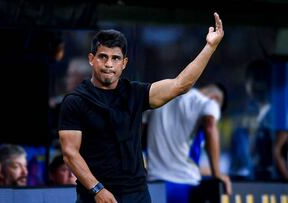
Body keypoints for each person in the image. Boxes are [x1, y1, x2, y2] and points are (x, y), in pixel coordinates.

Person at [59, 12, 224, 203]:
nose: (108, 64)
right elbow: (70, 153)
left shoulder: (135, 93)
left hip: (137, 194)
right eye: (103, 57)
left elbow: (181, 84)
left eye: (115, 58)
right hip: (95, 196)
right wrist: (97, 189)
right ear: (91, 59)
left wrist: (210, 47)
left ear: (124, 63)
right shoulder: (75, 101)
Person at [146, 83, 231, 203]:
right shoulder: (207, 103)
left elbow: (142, 136)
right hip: (186, 186)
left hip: (155, 186)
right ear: (215, 98)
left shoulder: (159, 99)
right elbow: (210, 128)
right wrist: (216, 174)